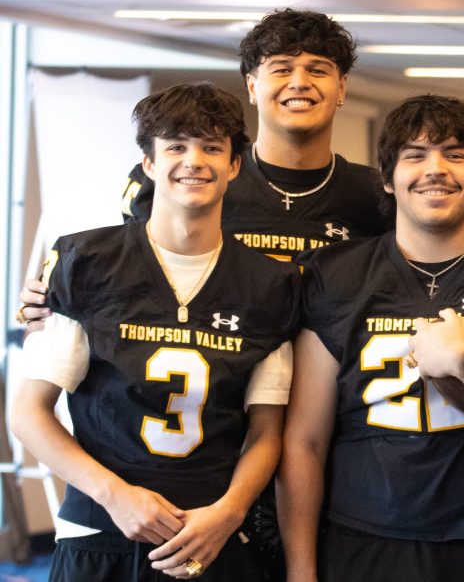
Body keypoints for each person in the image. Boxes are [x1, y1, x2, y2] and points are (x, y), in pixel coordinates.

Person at [277, 95, 464, 582]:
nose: (435, 169)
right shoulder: (338, 275)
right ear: (388, 177)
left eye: (455, 154)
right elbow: (305, 441)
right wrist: (300, 570)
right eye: (415, 155)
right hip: (367, 537)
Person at [10, 82, 300, 581]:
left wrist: (229, 512)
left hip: (211, 533)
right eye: (176, 146)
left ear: (234, 165)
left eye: (212, 147)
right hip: (100, 533)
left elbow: (266, 433)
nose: (195, 161)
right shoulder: (90, 263)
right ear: (148, 163)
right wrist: (115, 495)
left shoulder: (269, 284)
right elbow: (28, 412)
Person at [17, 8, 389, 328]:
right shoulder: (194, 180)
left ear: (341, 88)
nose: (299, 82)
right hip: (218, 383)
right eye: (281, 69)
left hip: (333, 387)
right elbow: (132, 278)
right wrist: (55, 301)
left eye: (318, 70)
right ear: (251, 86)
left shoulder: (373, 195)